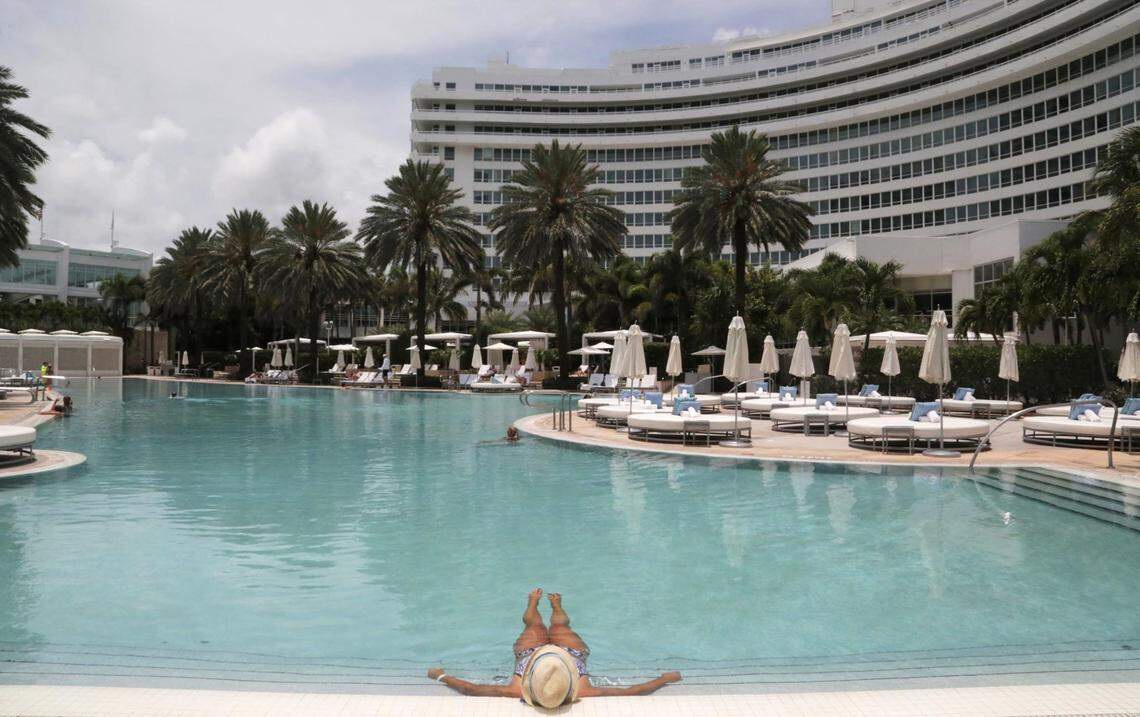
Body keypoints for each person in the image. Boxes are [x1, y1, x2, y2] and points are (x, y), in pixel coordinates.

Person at [427, 589, 681, 708]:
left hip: (531, 657)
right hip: (570, 658)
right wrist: (664, 679)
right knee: (560, 624)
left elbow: (472, 690)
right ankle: (557, 605)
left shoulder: (516, 688)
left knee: (533, 622)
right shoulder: (583, 689)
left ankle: (533, 602)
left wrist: (440, 675)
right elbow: (633, 692)